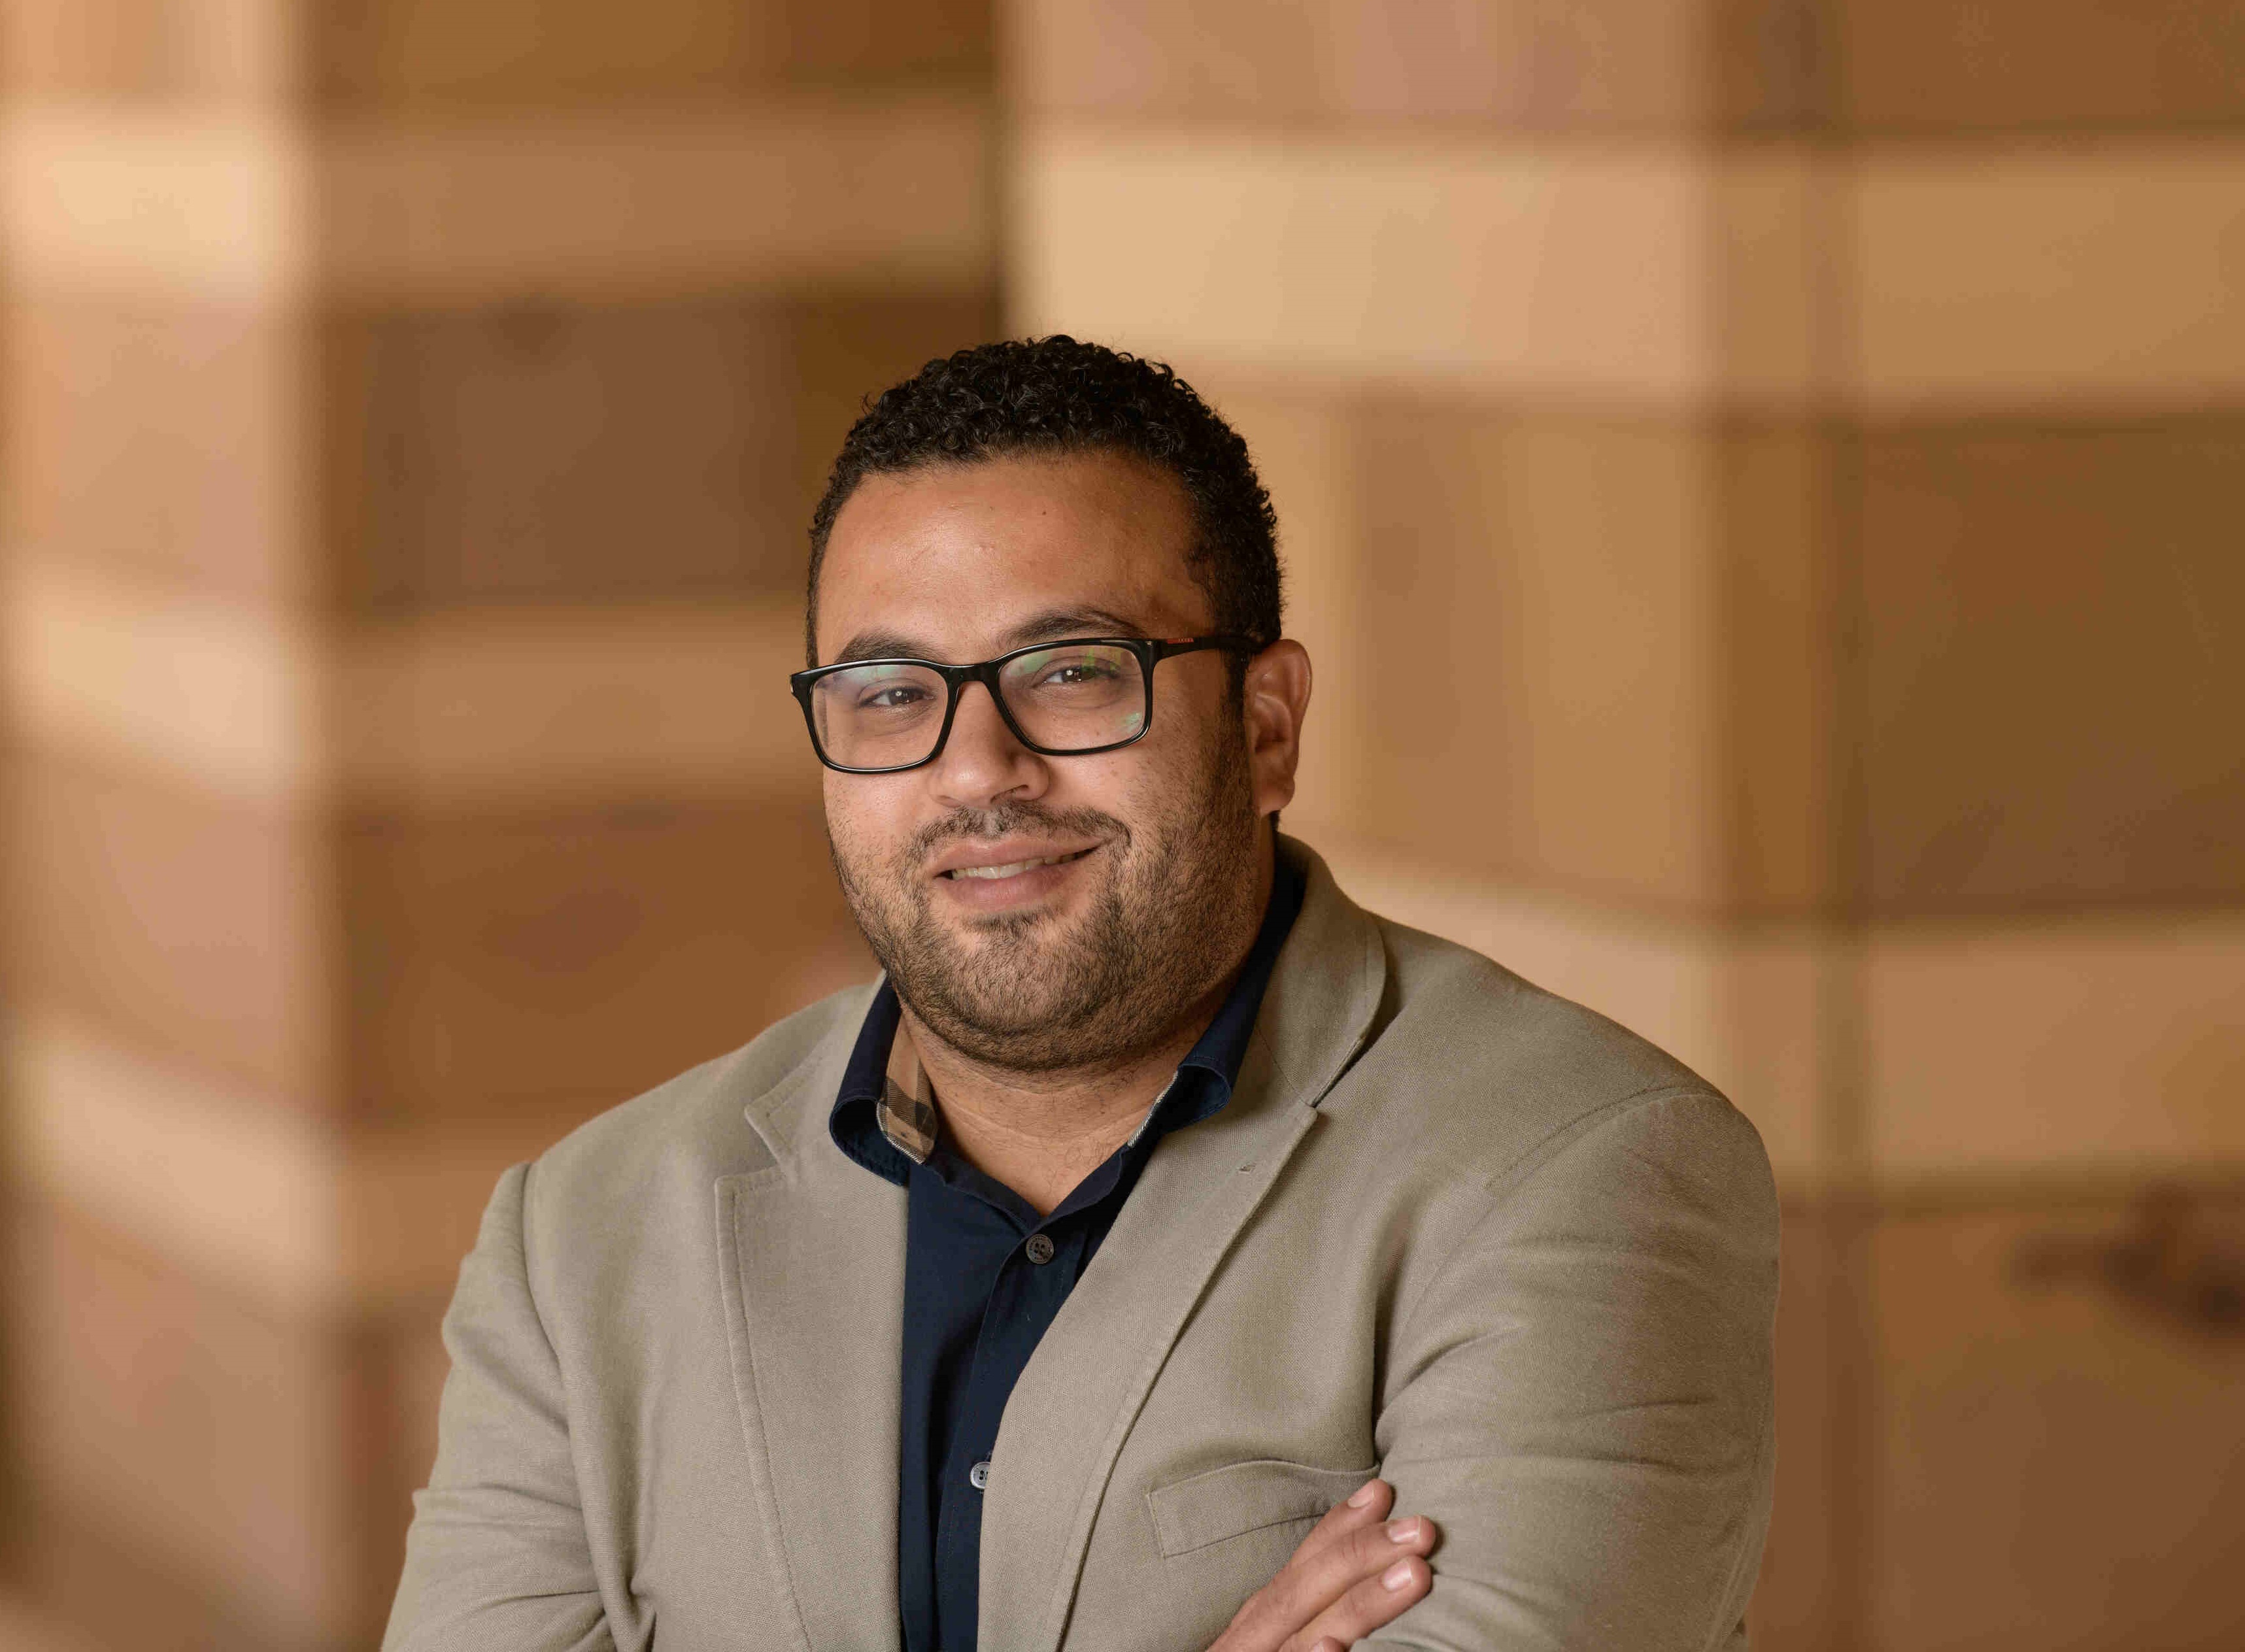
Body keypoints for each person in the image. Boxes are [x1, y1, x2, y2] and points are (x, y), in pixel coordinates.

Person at [384, 337, 1779, 1652]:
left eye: (1071, 672)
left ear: (1266, 723)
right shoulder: (582, 1238)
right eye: (887, 691)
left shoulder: (1576, 1168)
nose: (976, 767)